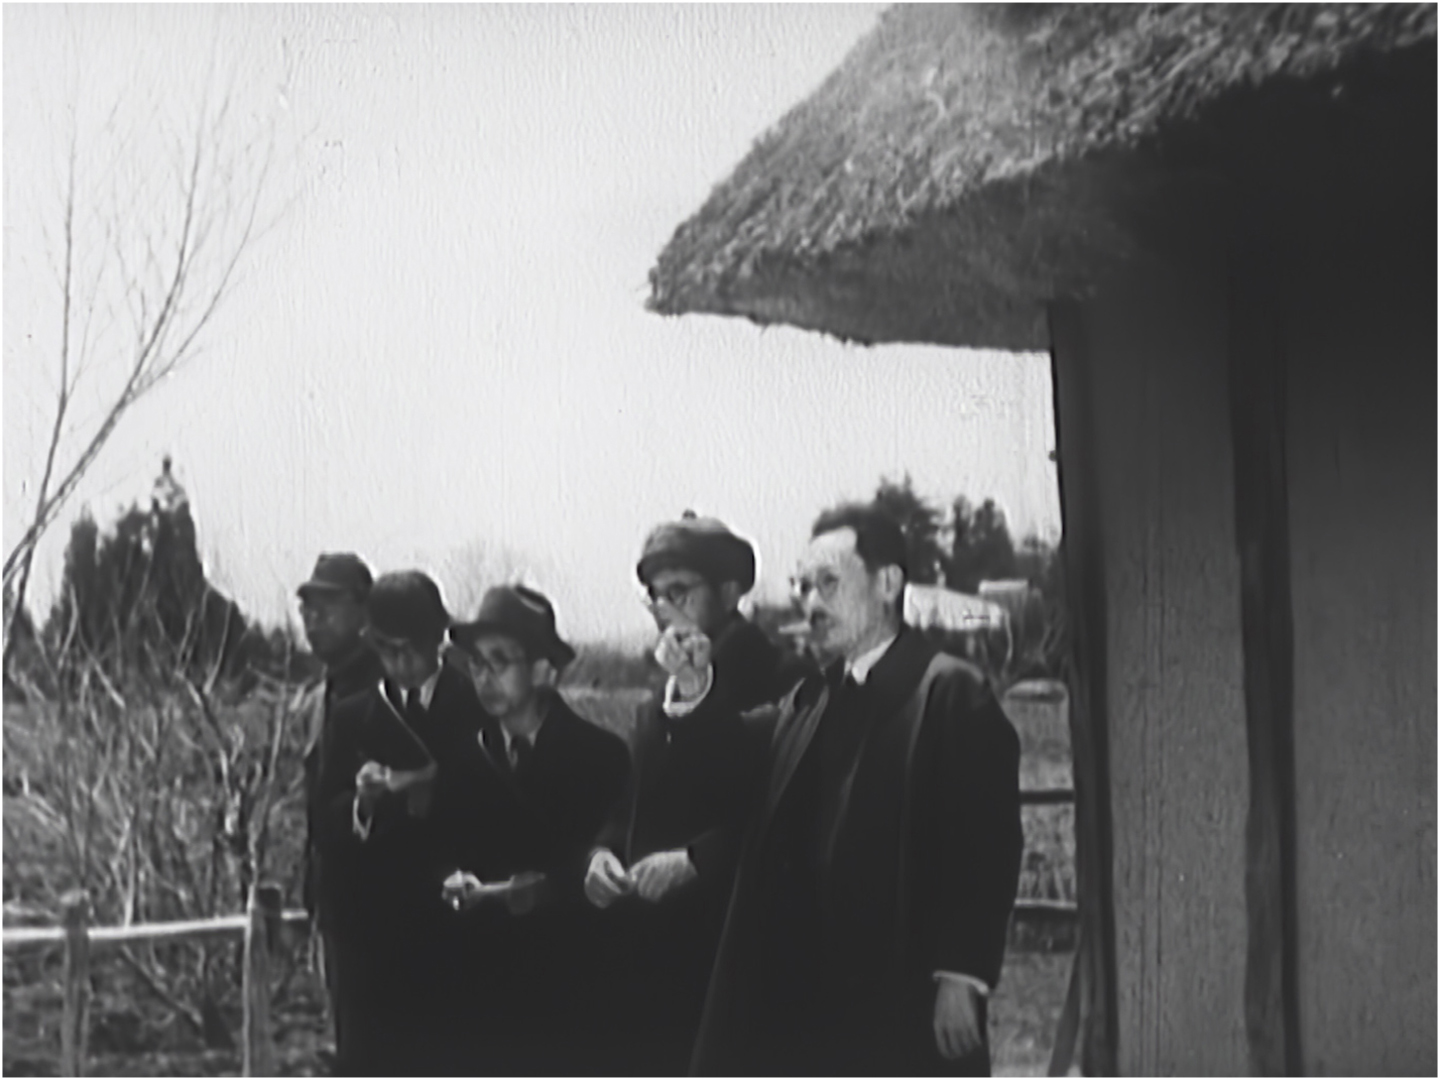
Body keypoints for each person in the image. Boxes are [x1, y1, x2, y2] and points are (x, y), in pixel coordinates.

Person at [692, 502, 1024, 1077]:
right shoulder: (812, 697)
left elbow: (987, 847)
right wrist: (695, 687)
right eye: (803, 586)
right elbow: (735, 757)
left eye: (828, 583)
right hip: (813, 1003)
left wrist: (960, 975)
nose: (811, 603)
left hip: (905, 996)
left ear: (888, 583)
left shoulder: (950, 692)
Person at [584, 511, 803, 1075]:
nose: (665, 610)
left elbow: (793, 812)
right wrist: (602, 852)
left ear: (729, 592)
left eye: (679, 592)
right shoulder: (656, 699)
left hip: (733, 950)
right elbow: (633, 802)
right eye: (655, 598)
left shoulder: (783, 679)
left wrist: (697, 860)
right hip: (655, 956)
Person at [443, 584, 630, 1076]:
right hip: (486, 994)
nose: (485, 678)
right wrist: (454, 877)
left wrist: (543, 889)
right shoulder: (464, 761)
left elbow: (612, 861)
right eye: (476, 664)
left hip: (572, 993)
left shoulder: (601, 757)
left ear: (543, 669)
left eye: (500, 661)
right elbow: (447, 851)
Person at [314, 570, 483, 1076]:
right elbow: (323, 815)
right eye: (388, 652)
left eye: (413, 650)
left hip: (450, 929)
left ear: (438, 641)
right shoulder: (352, 716)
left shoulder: (473, 705)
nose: (403, 665)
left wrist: (430, 785)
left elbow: (492, 804)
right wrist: (361, 805)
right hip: (371, 936)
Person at [295, 553, 385, 1071]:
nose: (314, 618)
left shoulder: (386, 690)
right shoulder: (321, 697)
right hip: (336, 906)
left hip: (384, 913)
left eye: (329, 606)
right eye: (307, 607)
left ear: (364, 613)